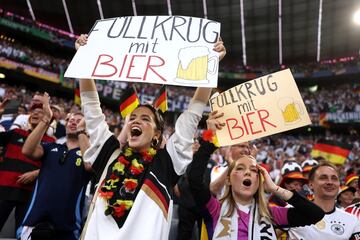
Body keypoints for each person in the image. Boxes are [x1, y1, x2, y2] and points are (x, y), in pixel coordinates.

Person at [75, 34, 226, 240]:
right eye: (133, 117)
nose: (135, 121)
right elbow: (91, 107)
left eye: (145, 118)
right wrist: (84, 57)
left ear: (157, 134)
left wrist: (212, 64)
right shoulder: (110, 153)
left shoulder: (166, 161)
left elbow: (192, 113)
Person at [188, 111, 325, 240]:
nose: (248, 172)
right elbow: (194, 179)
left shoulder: (270, 214)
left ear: (258, 180)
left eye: (254, 170)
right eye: (240, 168)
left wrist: (275, 189)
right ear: (228, 180)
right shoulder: (215, 209)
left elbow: (315, 214)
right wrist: (210, 137)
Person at [18, 93, 92, 240]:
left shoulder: (89, 154)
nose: (72, 122)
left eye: (78, 121)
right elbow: (27, 150)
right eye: (70, 120)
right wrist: (46, 119)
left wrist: (83, 132)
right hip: (34, 223)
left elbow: (89, 165)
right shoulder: (51, 147)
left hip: (68, 228)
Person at [0, 101, 55, 234]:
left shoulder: (51, 142)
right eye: (33, 111)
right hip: (4, 189)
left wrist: (37, 173)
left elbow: (54, 168)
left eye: (40, 111)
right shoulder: (16, 133)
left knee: (22, 234)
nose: (35, 113)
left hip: (30, 194)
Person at [288, 162, 360, 239]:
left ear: (339, 184)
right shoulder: (290, 211)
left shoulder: (352, 220)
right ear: (311, 184)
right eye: (323, 178)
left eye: (334, 178)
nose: (330, 182)